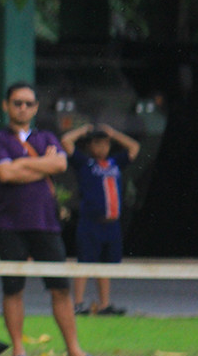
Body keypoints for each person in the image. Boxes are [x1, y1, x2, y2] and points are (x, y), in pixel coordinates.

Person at [0, 82, 103, 356]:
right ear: (6, 105)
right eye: (16, 103)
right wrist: (40, 165)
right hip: (9, 224)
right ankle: (18, 351)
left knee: (60, 288)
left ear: (36, 107)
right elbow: (4, 174)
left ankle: (75, 352)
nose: (22, 108)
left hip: (46, 224)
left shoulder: (47, 137)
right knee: (13, 288)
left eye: (28, 103)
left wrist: (21, 165)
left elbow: (60, 165)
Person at [60, 123, 140, 315]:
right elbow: (66, 141)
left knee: (106, 265)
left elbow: (134, 148)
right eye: (97, 144)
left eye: (105, 144)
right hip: (91, 223)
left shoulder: (114, 163)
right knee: (85, 262)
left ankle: (105, 304)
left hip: (111, 223)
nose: (102, 148)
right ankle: (78, 303)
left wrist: (114, 133)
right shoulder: (85, 164)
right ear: (89, 146)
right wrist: (84, 130)